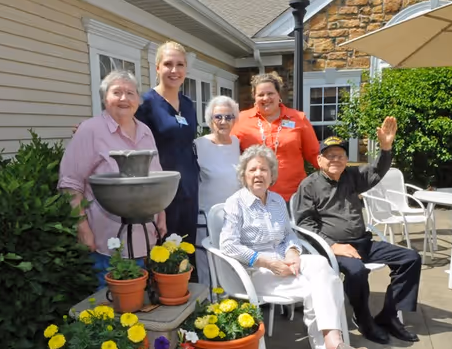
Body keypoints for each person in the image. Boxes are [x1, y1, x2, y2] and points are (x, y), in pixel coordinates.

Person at [220, 145, 368, 349]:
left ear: (272, 174)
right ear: (244, 174)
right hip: (256, 271)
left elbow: (289, 234)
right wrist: (268, 262)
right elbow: (228, 245)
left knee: (322, 266)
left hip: (284, 262)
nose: (259, 174)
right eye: (253, 169)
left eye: (264, 169)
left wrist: (293, 254)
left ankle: (333, 344)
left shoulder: (277, 199)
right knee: (316, 288)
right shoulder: (235, 204)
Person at [293, 118, 422, 345]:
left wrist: (386, 148)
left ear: (346, 160)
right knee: (356, 272)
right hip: (333, 248)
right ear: (318, 160)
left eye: (340, 156)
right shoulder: (309, 185)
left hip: (363, 242)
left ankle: (389, 315)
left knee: (410, 258)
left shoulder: (352, 176)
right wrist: (333, 245)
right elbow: (304, 224)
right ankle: (363, 318)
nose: (336, 160)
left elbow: (376, 172)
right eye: (330, 156)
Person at [58, 70, 166, 288]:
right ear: (105, 98)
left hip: (145, 237)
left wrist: (161, 214)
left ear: (138, 100)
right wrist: (82, 228)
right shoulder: (90, 130)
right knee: (111, 305)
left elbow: (155, 178)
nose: (124, 98)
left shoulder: (145, 131)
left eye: (130, 93)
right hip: (107, 240)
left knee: (142, 300)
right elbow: (70, 183)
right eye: (117, 92)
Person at [135, 41, 200, 252]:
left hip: (189, 186)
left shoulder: (188, 105)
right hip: (161, 190)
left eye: (180, 64)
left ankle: (186, 285)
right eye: (168, 64)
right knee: (161, 249)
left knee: (186, 247)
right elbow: (124, 131)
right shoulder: (145, 104)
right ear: (157, 68)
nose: (174, 70)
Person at [231, 72, 320, 204]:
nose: (266, 98)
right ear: (254, 98)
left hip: (293, 196)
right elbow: (228, 151)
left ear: (279, 95)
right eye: (260, 94)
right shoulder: (241, 120)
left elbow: (315, 155)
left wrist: (338, 177)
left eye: (270, 93)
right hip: (254, 197)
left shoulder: (298, 118)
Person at [194, 96, 241, 287]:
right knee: (208, 266)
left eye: (229, 117)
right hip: (206, 217)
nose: (223, 121)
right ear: (209, 119)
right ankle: (209, 308)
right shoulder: (198, 145)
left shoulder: (237, 143)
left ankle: (233, 308)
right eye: (218, 116)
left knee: (232, 266)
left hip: (234, 217)